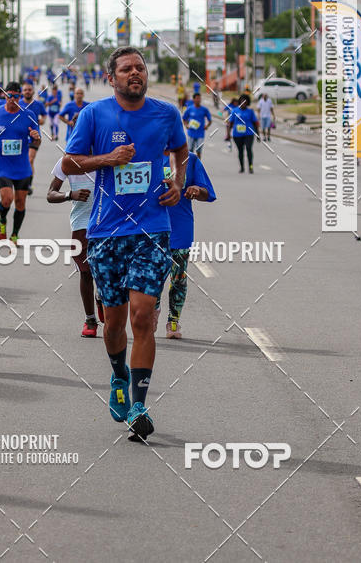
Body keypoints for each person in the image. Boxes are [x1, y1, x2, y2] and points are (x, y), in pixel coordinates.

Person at [63, 46, 188, 442]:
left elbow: (181, 150)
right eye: (126, 69)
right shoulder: (93, 114)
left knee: (143, 316)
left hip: (153, 229)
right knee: (114, 322)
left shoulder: (166, 114)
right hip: (106, 231)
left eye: (140, 67)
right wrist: (108, 159)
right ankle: (118, 376)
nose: (135, 73)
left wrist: (177, 181)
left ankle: (139, 405)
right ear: (111, 78)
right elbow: (68, 163)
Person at [155, 148, 216, 338]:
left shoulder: (190, 159)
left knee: (178, 278)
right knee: (152, 277)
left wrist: (197, 190)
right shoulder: (145, 154)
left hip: (180, 228)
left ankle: (173, 321)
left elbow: (207, 192)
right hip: (150, 227)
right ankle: (151, 314)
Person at [47, 138, 98, 337]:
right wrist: (70, 194)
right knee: (86, 273)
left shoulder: (107, 157)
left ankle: (102, 298)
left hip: (107, 223)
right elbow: (51, 194)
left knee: (107, 271)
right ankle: (90, 319)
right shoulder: (66, 162)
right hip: (81, 224)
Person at [0, 81, 41, 244]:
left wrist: (36, 138)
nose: (13, 99)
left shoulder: (29, 115)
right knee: (7, 199)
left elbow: (37, 140)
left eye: (16, 96)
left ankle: (15, 234)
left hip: (22, 167)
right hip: (3, 165)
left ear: (20, 97)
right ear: (4, 95)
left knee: (20, 202)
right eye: (10, 95)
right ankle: (2, 221)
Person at [20, 81, 47, 192]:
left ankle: (28, 184)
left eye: (29, 90)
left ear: (33, 91)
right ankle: (20, 181)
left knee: (30, 159)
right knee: (22, 160)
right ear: (22, 92)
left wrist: (43, 120)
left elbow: (44, 114)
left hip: (35, 136)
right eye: (25, 90)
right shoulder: (18, 104)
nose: (27, 92)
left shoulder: (38, 104)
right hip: (20, 136)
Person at [229, 93, 260, 173]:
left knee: (249, 149)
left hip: (249, 134)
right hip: (237, 135)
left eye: (245, 101)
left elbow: (255, 123)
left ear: (248, 102)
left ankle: (250, 166)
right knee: (240, 151)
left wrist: (258, 134)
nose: (243, 103)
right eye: (242, 101)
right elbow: (230, 123)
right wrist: (228, 134)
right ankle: (242, 167)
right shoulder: (235, 111)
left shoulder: (250, 112)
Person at [182, 92, 212, 158]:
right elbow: (184, 118)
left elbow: (210, 120)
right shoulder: (190, 109)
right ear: (193, 99)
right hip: (191, 133)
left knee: (199, 151)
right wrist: (186, 125)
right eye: (197, 98)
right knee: (190, 151)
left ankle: (198, 164)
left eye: (199, 98)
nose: (198, 100)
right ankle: (190, 164)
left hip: (200, 134)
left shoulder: (204, 109)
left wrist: (207, 126)